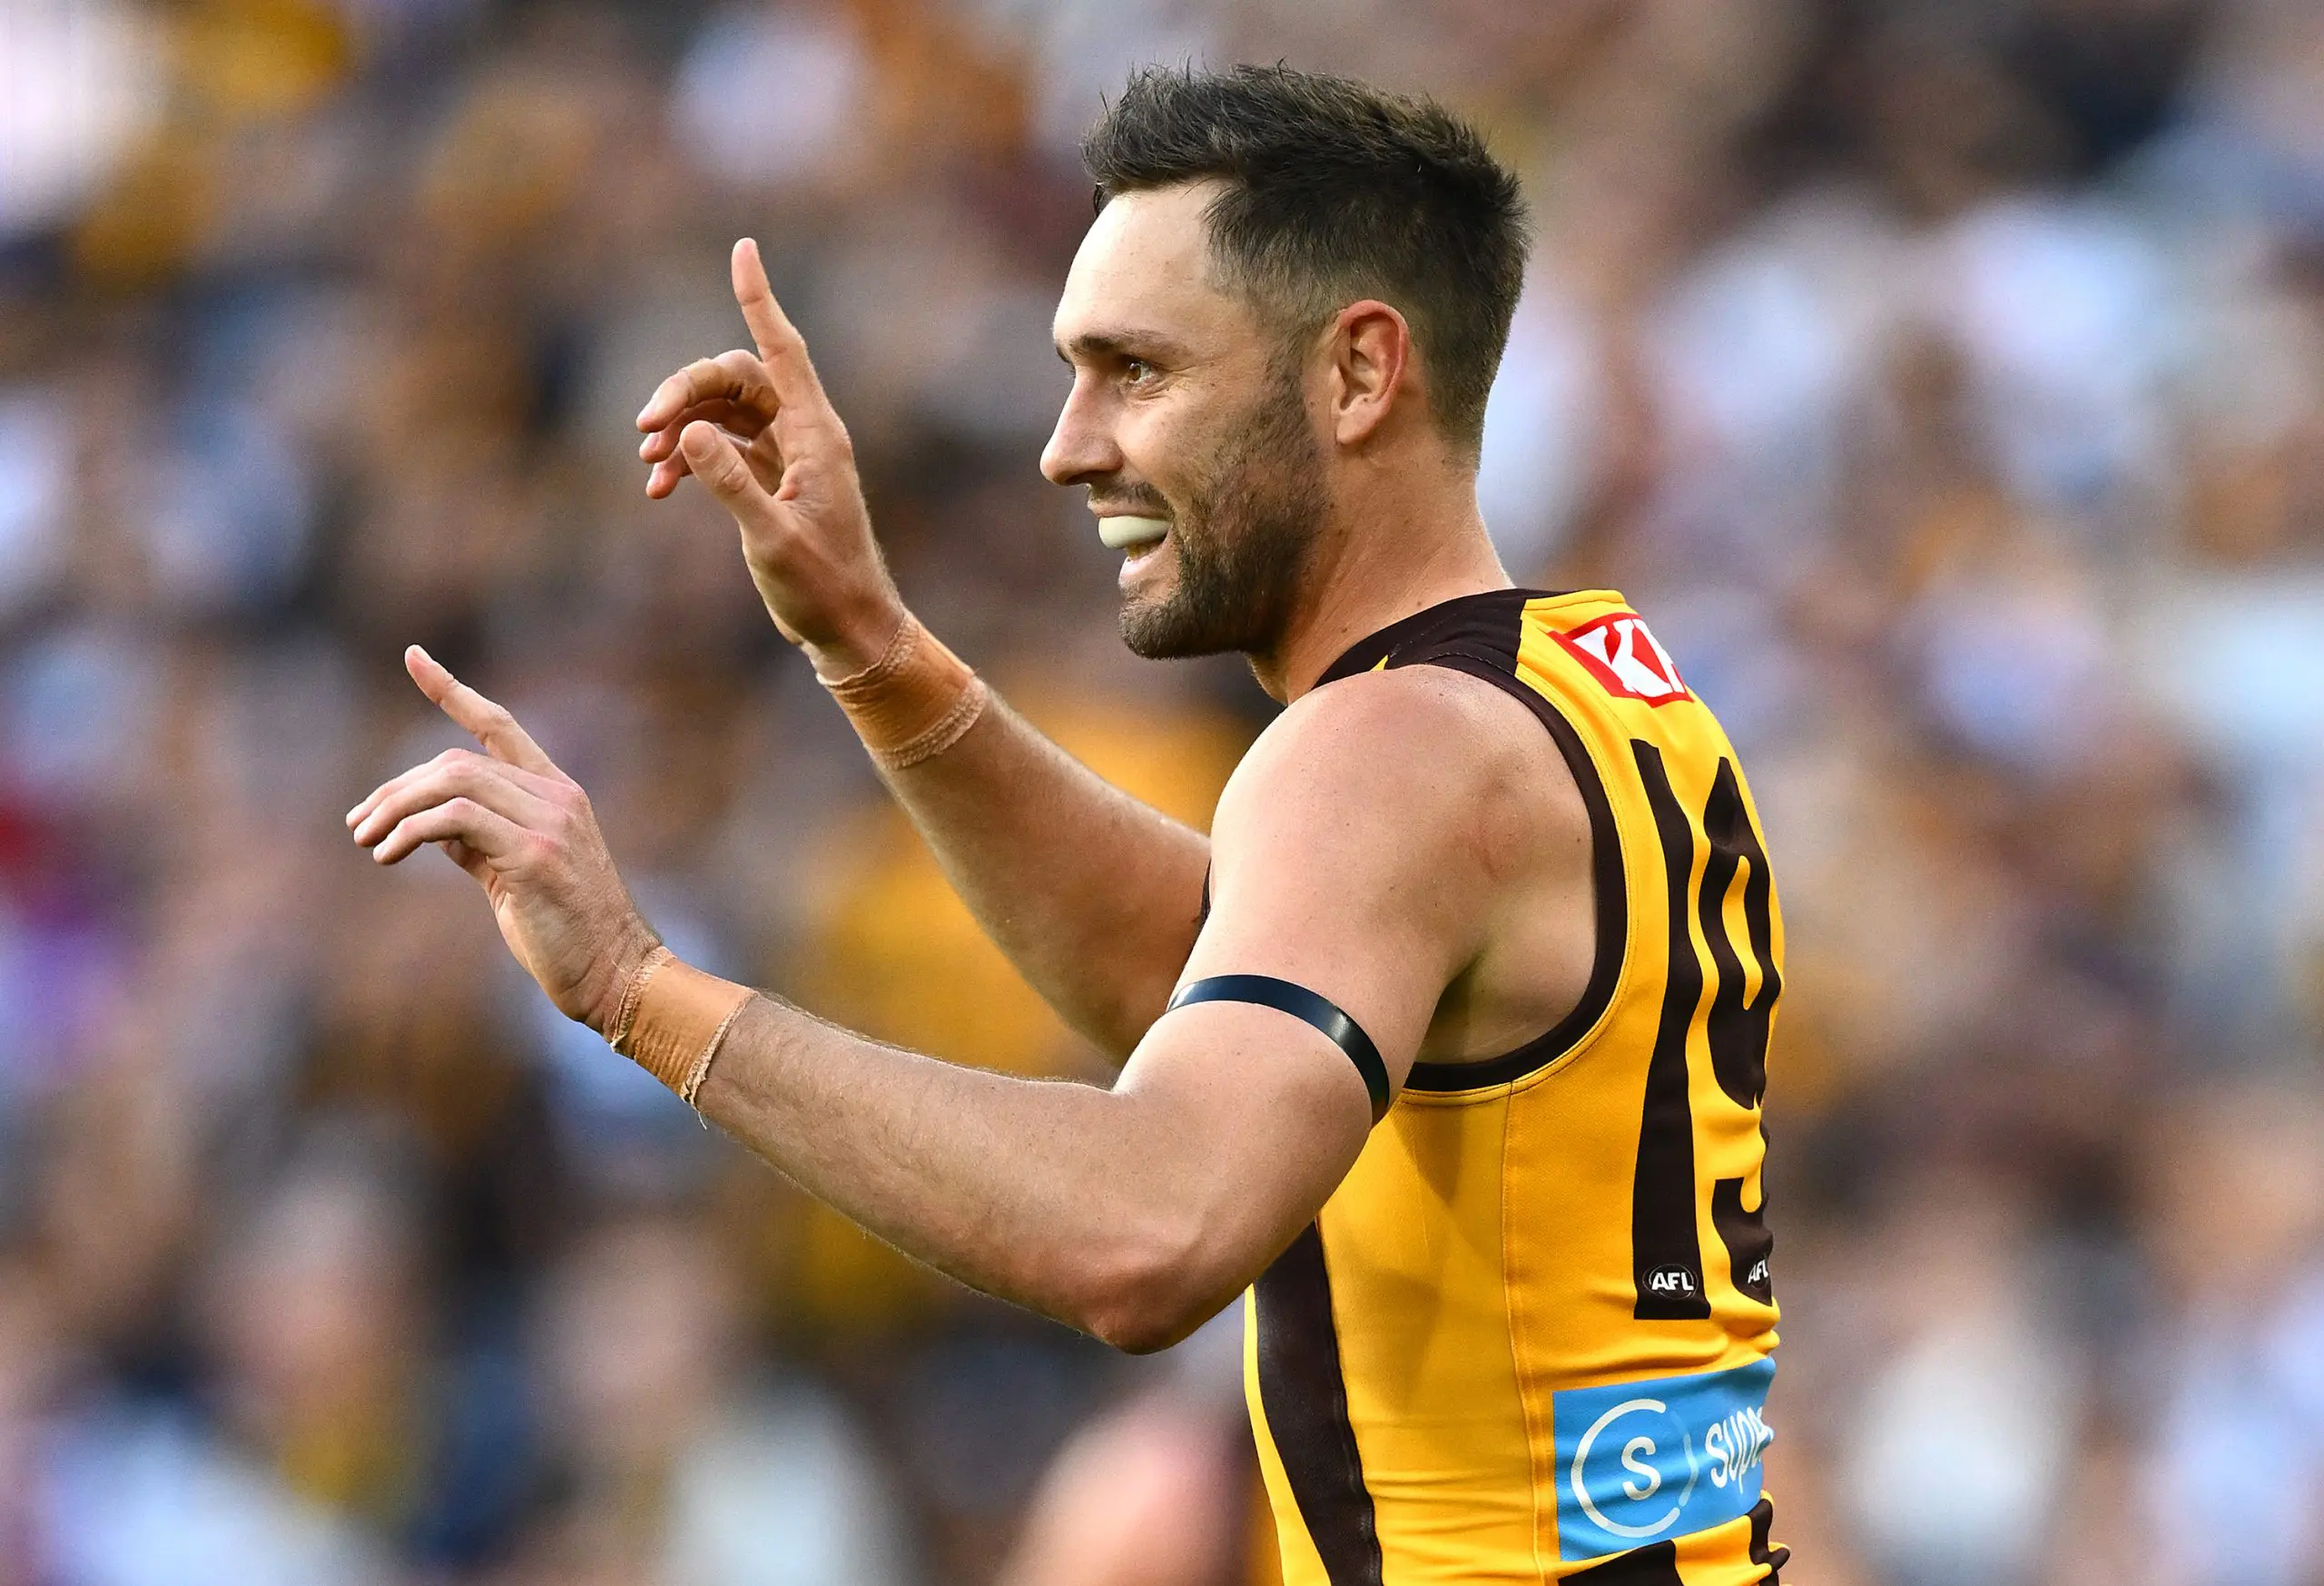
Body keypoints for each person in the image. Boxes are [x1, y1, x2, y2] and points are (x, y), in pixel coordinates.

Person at [347, 64, 1787, 1584]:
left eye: (1137, 371)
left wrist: (640, 992)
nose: (1068, 444)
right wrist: (871, 645)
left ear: (1361, 374)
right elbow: (1218, 991)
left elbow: (1152, 1227)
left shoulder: (1384, 747)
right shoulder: (1600, 692)